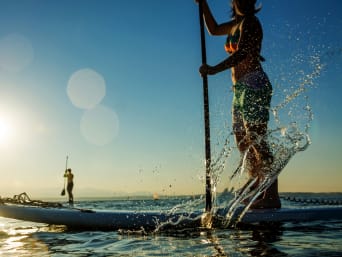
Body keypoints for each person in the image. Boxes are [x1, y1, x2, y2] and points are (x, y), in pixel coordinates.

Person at [196, 0, 280, 209]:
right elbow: (214, 29)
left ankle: (272, 194)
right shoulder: (234, 25)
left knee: (257, 139)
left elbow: (242, 53)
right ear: (233, 2)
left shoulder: (251, 22)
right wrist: (203, 4)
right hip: (239, 90)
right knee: (243, 142)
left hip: (254, 84)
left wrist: (214, 69)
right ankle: (257, 183)